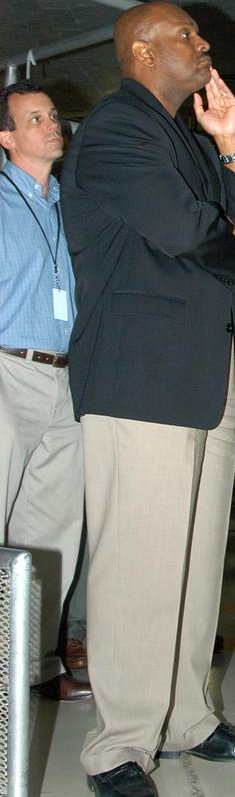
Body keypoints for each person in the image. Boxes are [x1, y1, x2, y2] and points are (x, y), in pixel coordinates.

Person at [61, 2, 235, 797]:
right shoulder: (117, 129)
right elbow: (192, 233)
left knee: (190, 560)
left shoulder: (185, 139)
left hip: (201, 366)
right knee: (139, 564)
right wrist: (232, 232)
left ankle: (184, 719)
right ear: (142, 49)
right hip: (140, 372)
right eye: (188, 35)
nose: (205, 43)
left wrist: (227, 147)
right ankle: (119, 744)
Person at [0, 82, 91, 702]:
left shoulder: (68, 200)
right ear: (6, 138)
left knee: (55, 529)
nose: (51, 124)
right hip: (6, 368)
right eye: (35, 118)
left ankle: (32, 665)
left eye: (54, 115)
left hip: (66, 374)